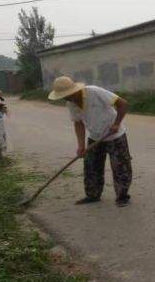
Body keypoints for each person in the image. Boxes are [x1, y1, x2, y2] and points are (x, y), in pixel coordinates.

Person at [48, 75, 132, 207]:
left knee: (120, 167)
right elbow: (78, 123)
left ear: (74, 90)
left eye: (68, 95)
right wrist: (81, 146)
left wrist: (116, 124)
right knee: (91, 167)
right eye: (64, 97)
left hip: (115, 135)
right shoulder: (71, 103)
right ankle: (92, 195)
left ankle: (122, 197)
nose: (67, 98)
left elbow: (123, 104)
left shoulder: (94, 92)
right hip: (94, 136)